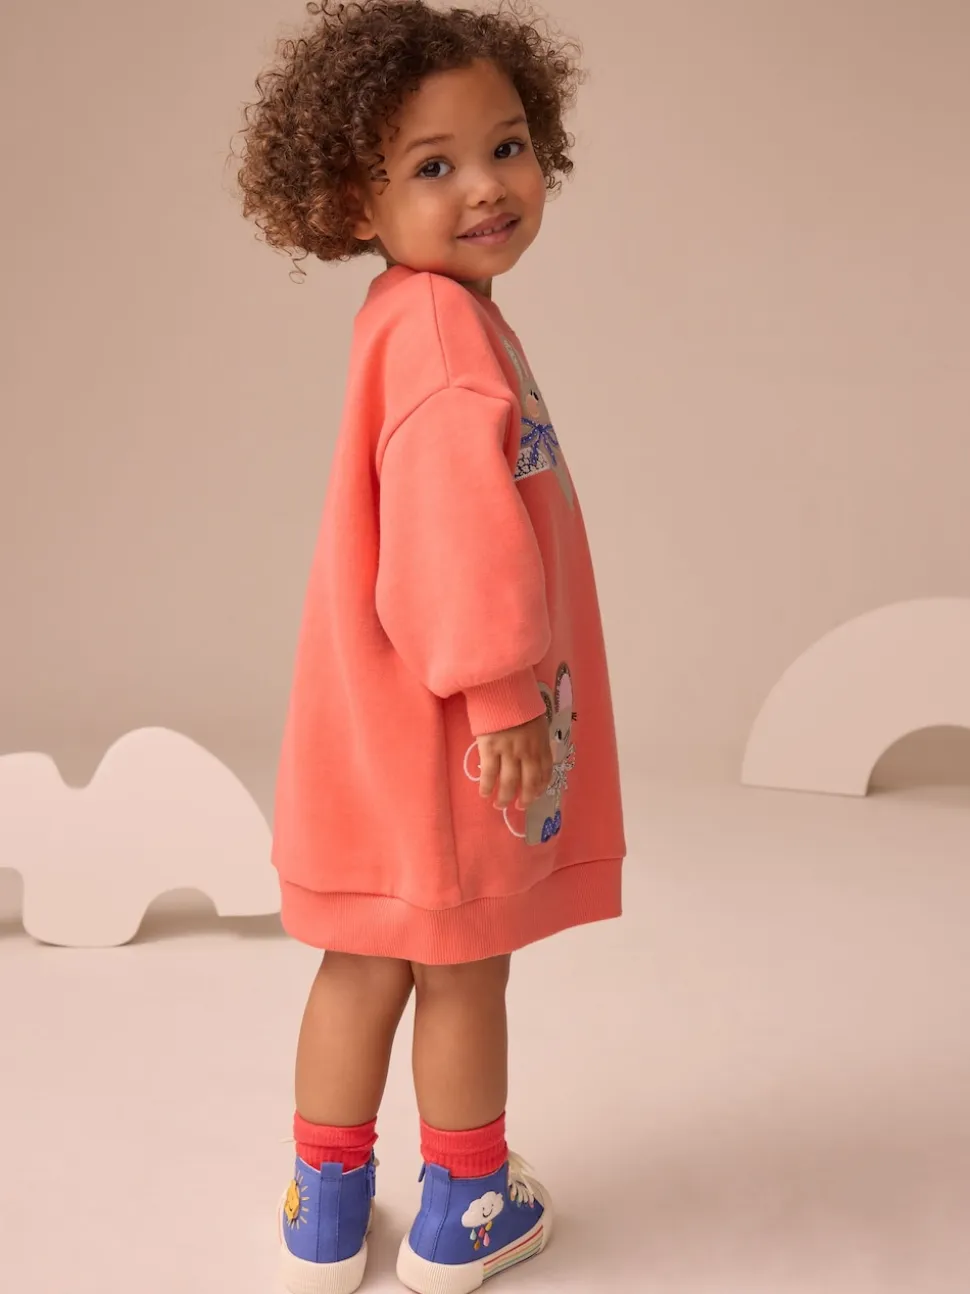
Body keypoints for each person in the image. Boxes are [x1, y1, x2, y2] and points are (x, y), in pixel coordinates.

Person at [235, 2, 625, 1290]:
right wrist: (505, 691)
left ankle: (324, 1212)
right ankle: (464, 1209)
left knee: (363, 959)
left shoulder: (405, 314)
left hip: (370, 722)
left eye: (507, 146)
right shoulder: (449, 336)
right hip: (452, 728)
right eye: (433, 166)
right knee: (461, 967)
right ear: (355, 199)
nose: (486, 188)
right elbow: (455, 531)